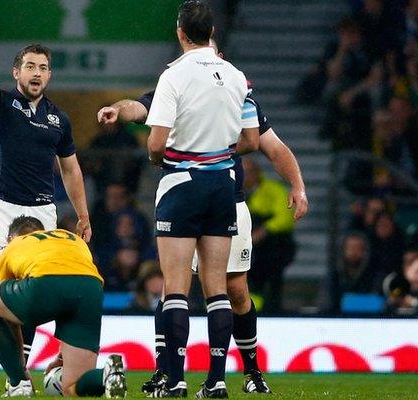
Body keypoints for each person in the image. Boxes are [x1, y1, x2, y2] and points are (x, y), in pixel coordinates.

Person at [98, 41, 308, 396]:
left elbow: (272, 145)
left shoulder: (237, 95)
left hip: (226, 200)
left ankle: (249, 373)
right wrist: (118, 109)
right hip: (204, 195)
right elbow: (139, 105)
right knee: (173, 288)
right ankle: (168, 372)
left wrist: (298, 184)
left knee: (234, 290)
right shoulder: (179, 88)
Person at [0, 35, 92, 391]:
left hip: (43, 212)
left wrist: (83, 215)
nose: (37, 73)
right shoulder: (2, 104)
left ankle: (19, 374)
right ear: (17, 72)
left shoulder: (58, 119)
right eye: (30, 66)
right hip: (4, 208)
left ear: (49, 76)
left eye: (44, 68)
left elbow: (71, 170)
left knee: (29, 293)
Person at [142, 1, 259, 397]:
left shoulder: (173, 77)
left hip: (181, 184)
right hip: (223, 186)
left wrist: (162, 156)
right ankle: (217, 380)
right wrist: (218, 152)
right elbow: (252, 140)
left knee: (175, 286)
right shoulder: (237, 76)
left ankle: (175, 380)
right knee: (218, 289)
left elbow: (157, 141)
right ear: (211, 32)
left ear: (180, 32)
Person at [0, 216, 125, 397]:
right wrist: (63, 356)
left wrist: (20, 368)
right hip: (91, 289)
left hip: (44, 284)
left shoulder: (15, 244)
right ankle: (107, 376)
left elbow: (6, 313)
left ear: (10, 238)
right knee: (72, 387)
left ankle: (19, 385)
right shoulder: (73, 239)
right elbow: (70, 286)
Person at [242, 158, 297, 313]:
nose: (246, 176)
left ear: (257, 173)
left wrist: (264, 230)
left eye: (249, 172)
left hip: (269, 247)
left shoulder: (274, 190)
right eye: (243, 172)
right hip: (241, 243)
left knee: (272, 266)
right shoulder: (232, 191)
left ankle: (272, 308)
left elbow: (286, 217)